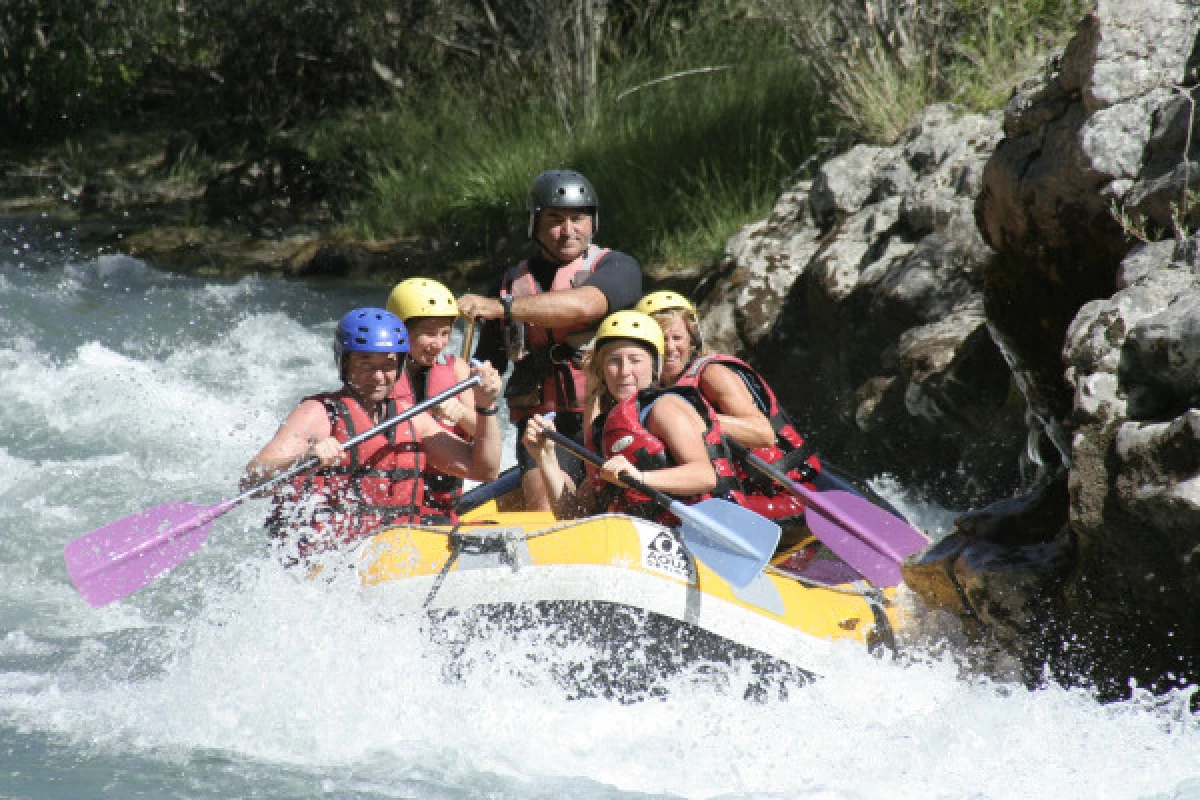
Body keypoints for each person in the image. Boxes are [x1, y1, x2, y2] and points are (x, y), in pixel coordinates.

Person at [242, 307, 503, 562]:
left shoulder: (411, 418)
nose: (378, 377)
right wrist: (301, 461)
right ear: (344, 362)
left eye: (388, 365)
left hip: (395, 556)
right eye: (366, 364)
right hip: (331, 559)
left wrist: (486, 407)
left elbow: (485, 470)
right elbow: (250, 482)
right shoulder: (318, 413)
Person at [456, 169, 643, 511]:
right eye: (555, 219)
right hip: (541, 425)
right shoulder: (508, 283)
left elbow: (585, 304)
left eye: (578, 218)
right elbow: (484, 370)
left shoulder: (619, 267)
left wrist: (502, 308)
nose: (568, 230)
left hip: (611, 415)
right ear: (535, 225)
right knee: (543, 495)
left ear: (592, 222)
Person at [635, 290, 823, 551]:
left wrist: (699, 420)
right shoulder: (649, 392)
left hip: (785, 499)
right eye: (660, 339)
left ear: (693, 340)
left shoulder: (712, 374)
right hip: (735, 495)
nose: (669, 347)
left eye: (677, 338)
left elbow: (762, 433)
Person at [520, 310, 745, 524]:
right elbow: (574, 515)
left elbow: (704, 476)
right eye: (614, 361)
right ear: (602, 369)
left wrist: (641, 478)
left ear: (654, 366)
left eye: (635, 360)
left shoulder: (665, 408)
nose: (624, 371)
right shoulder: (606, 429)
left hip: (700, 534)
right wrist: (545, 458)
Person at [386, 277, 476, 516]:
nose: (439, 344)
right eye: (429, 334)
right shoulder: (380, 374)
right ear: (401, 331)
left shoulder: (457, 369)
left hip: (443, 502)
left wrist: (462, 414)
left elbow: (483, 432)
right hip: (394, 501)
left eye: (445, 333)